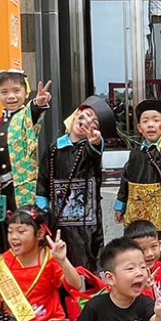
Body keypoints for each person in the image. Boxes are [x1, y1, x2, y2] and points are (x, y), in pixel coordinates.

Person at [36, 95, 116, 272]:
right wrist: (42, 211)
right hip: (59, 221)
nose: (87, 121)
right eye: (85, 115)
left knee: (86, 265)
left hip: (86, 225)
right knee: (59, 265)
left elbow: (96, 151)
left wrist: (95, 142)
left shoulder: (90, 148)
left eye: (94, 122)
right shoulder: (54, 149)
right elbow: (42, 182)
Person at [0, 70, 52, 254]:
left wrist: (39, 103)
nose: (11, 96)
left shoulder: (26, 117)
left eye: (16, 90)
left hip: (23, 190)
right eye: (4, 92)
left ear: (26, 92)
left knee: (27, 233)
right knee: (3, 239)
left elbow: (34, 111)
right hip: (0, 192)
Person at [0, 206, 84, 321]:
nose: (14, 237)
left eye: (21, 232)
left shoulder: (49, 258)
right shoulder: (2, 263)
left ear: (40, 234)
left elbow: (76, 285)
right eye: (10, 232)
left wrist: (63, 260)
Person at [113, 99, 161, 269]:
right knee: (134, 243)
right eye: (145, 121)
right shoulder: (135, 153)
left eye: (156, 120)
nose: (151, 125)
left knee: (159, 244)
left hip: (160, 211)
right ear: (139, 128)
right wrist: (120, 205)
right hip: (136, 211)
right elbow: (126, 180)